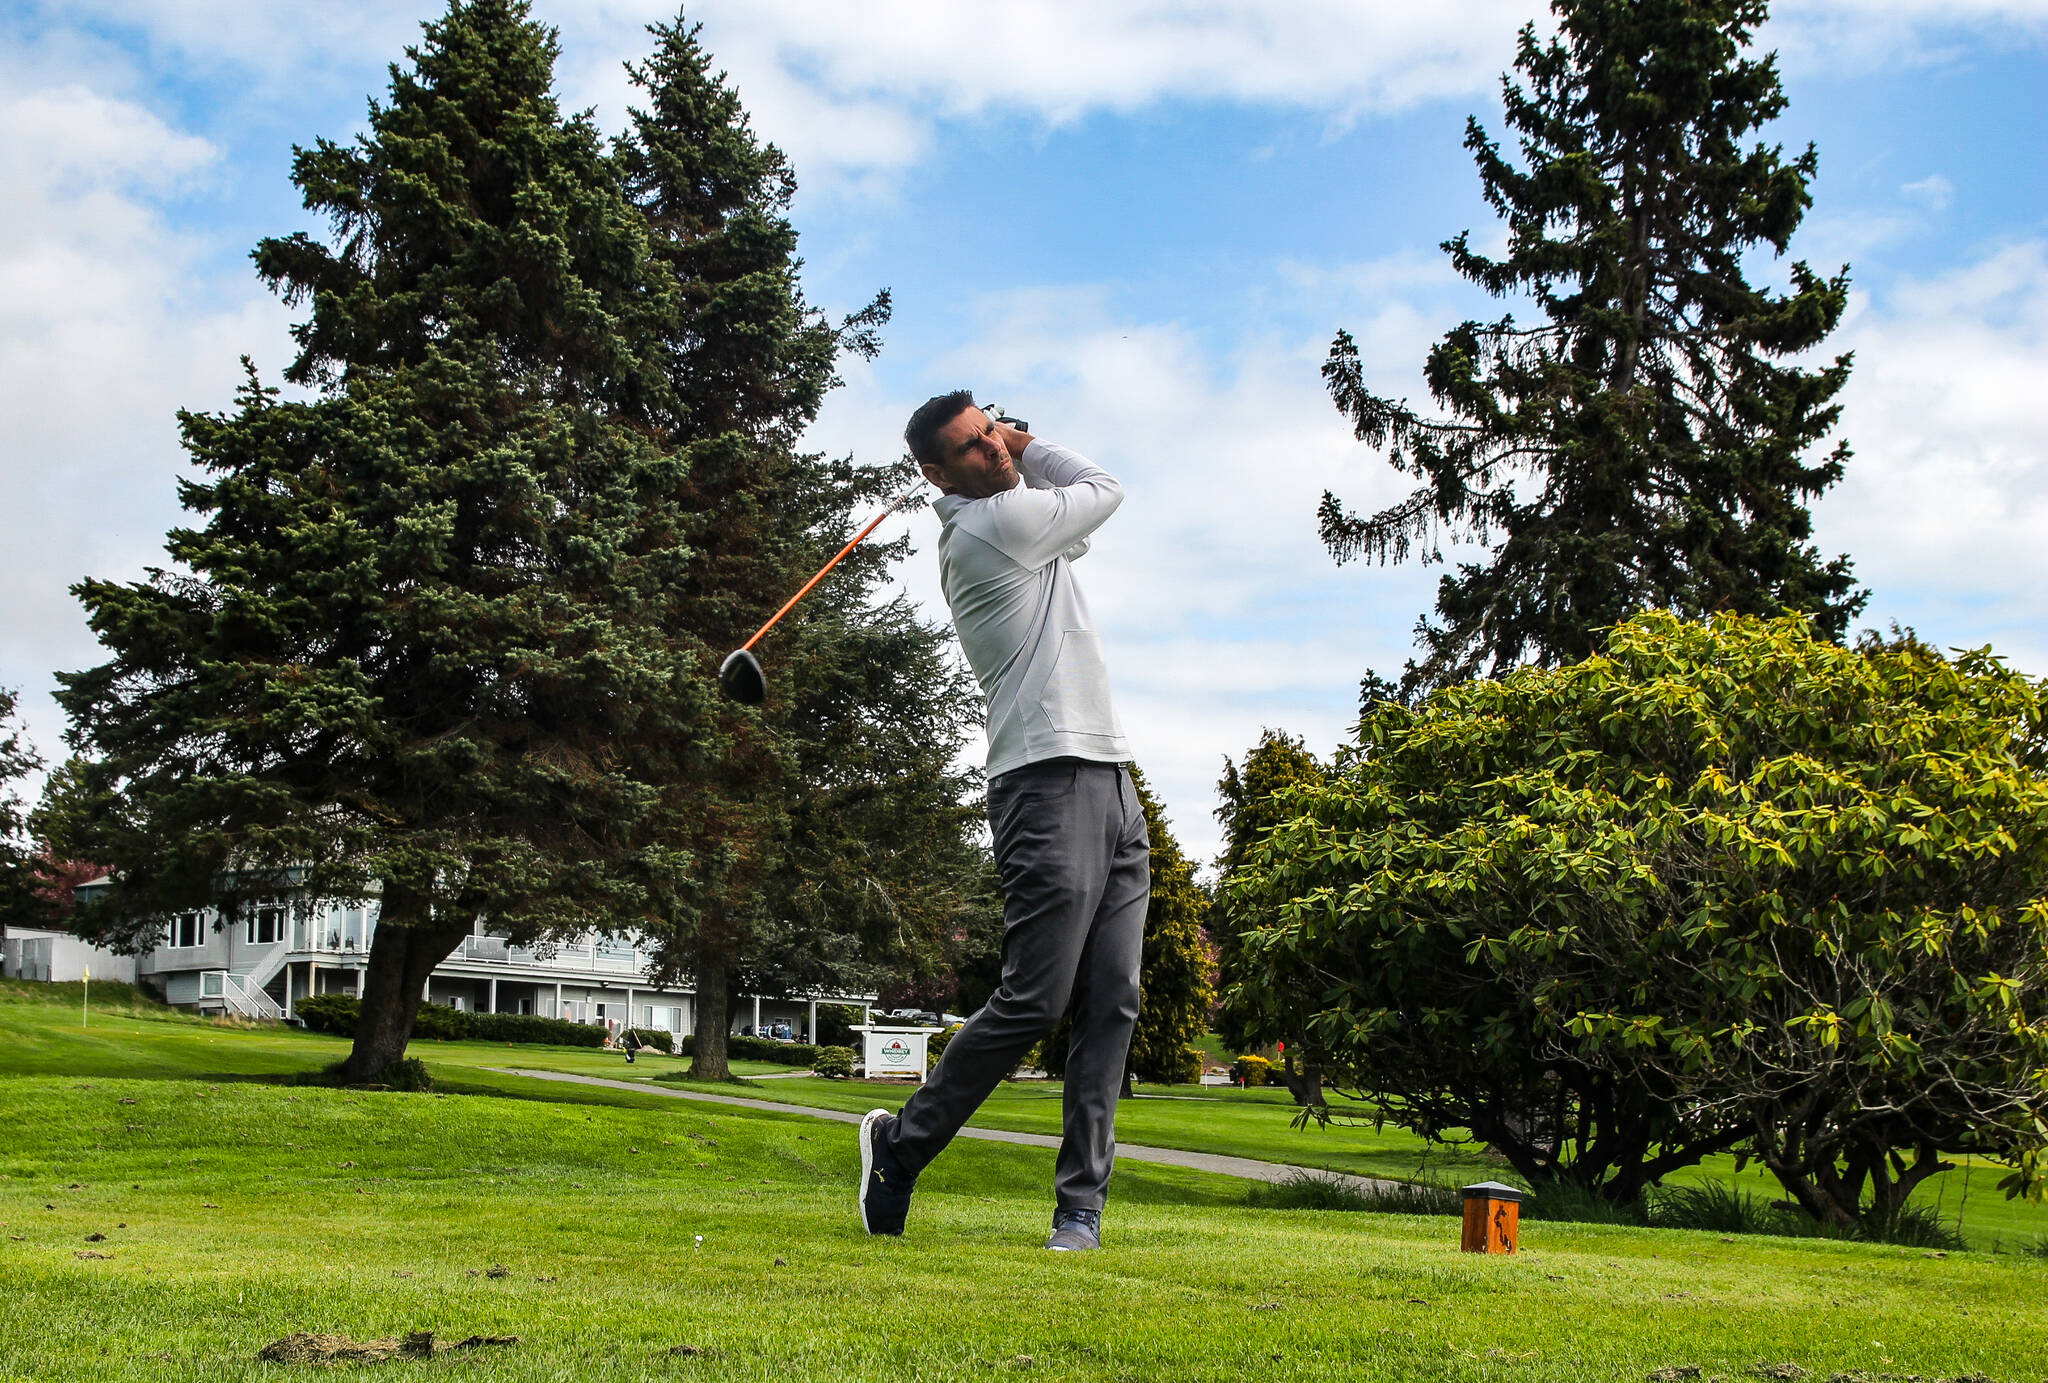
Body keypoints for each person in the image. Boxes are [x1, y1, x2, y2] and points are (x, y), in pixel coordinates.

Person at [858, 392, 1149, 1253]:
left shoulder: (1014, 520)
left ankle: (1079, 1212)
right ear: (936, 474)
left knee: (1113, 1003)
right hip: (1043, 781)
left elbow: (1080, 522)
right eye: (974, 445)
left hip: (1110, 775)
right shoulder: (989, 529)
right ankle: (899, 1149)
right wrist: (1032, 440)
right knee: (1036, 998)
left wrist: (1011, 447)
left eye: (994, 430)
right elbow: (1102, 489)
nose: (994, 449)